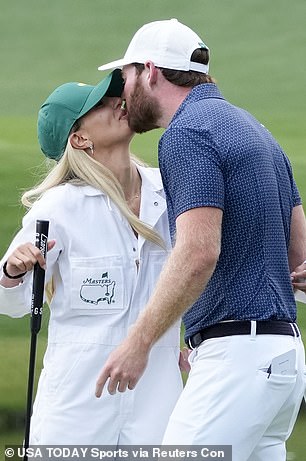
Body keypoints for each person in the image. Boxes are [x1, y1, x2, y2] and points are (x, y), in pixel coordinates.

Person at [96, 19, 306, 460]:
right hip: (283, 358)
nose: (124, 88)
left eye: (127, 75)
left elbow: (197, 252)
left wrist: (139, 342)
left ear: (151, 71)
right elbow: (299, 259)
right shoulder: (255, 129)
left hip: (239, 362)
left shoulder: (187, 132)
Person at [0, 69, 183, 445]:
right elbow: (12, 303)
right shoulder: (58, 208)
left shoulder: (172, 192)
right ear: (79, 138)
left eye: (116, 95)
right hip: (75, 413)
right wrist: (12, 270)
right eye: (100, 104)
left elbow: (205, 266)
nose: (120, 101)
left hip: (159, 408)